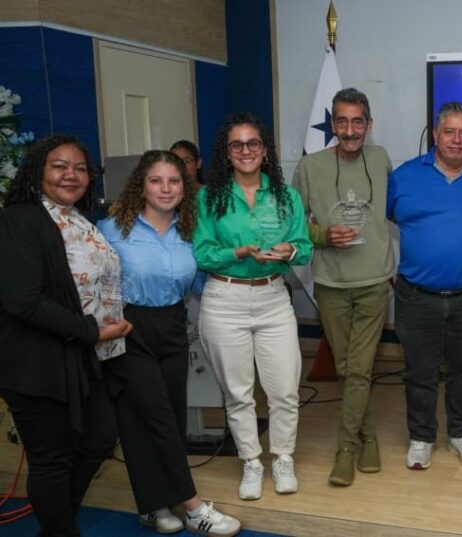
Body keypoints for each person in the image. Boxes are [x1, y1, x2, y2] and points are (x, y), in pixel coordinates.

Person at [98, 150, 241, 535]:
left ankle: (152, 504)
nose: (165, 188)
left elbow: (200, 283)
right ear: (140, 186)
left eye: (174, 181)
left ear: (185, 186)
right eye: (156, 180)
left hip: (173, 324)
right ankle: (194, 508)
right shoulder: (111, 229)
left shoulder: (190, 230)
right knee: (156, 417)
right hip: (128, 328)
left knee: (167, 418)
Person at [0, 134, 131, 536]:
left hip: (83, 355)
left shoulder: (78, 218)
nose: (70, 175)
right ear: (38, 171)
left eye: (79, 168)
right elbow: (22, 301)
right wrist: (92, 331)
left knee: (97, 441)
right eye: (59, 166)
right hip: (36, 361)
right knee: (52, 458)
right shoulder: (20, 219)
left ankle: (57, 524)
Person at [193, 112, 312, 500]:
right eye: (237, 145)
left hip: (273, 297)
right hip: (224, 299)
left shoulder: (285, 195)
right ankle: (251, 461)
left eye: (253, 144)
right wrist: (237, 251)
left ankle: (282, 458)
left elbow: (305, 248)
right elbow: (202, 254)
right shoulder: (208, 196)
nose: (246, 151)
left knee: (285, 390)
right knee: (238, 392)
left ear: (265, 150)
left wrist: (289, 249)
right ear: (226, 153)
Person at [387, 101, 462, 470]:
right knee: (419, 373)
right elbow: (387, 217)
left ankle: (461, 434)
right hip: (416, 296)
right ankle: (421, 438)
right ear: (435, 134)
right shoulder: (404, 176)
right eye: (449, 131)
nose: (457, 139)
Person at [293, 88, 394, 486]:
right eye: (341, 121)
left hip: (373, 281)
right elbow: (292, 222)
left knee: (360, 367)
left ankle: (346, 447)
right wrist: (321, 234)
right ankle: (368, 436)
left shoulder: (382, 159)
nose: (349, 130)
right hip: (331, 283)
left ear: (368, 125)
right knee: (347, 367)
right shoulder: (310, 166)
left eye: (357, 122)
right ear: (331, 124)